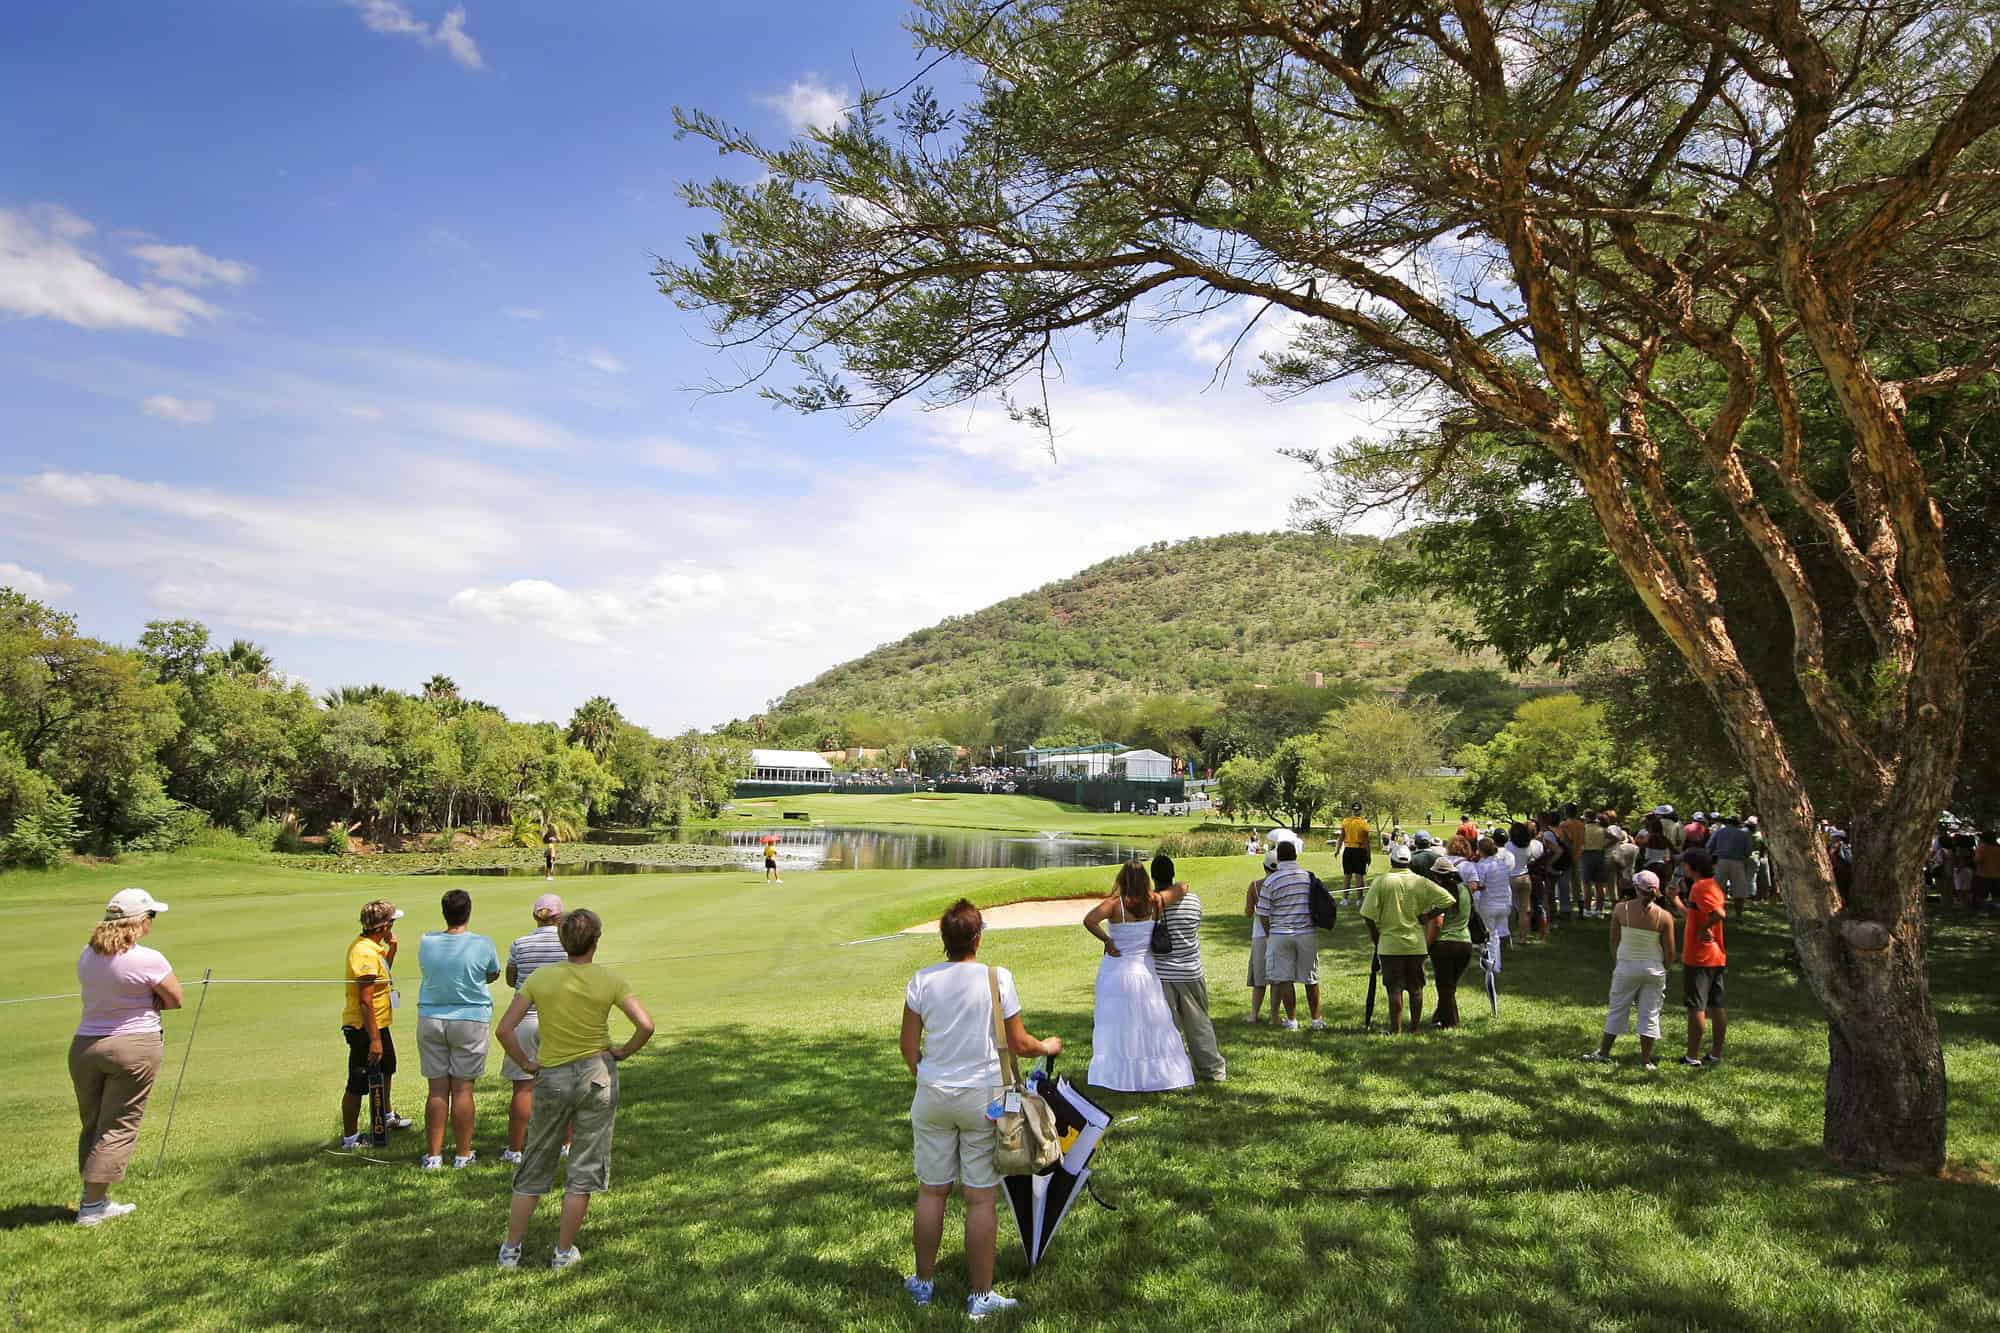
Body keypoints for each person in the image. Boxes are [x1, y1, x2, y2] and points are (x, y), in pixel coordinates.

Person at [899, 899, 1062, 1318]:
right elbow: (1021, 1043)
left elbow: (908, 1048)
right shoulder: (997, 978)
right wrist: (1048, 1046)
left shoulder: (922, 981)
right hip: (983, 1097)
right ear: (978, 937)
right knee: (979, 1199)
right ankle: (980, 1295)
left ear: (944, 940)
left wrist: (931, 1075)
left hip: (933, 1093)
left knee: (932, 1190)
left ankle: (922, 1283)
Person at [495, 908, 655, 1271]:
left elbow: (505, 1029)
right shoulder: (610, 980)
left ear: (563, 941)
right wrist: (624, 1051)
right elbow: (645, 1025)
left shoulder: (540, 978)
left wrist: (527, 1063)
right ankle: (563, 1252)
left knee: (535, 1162)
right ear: (596, 942)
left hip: (551, 1076)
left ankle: (510, 1250)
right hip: (597, 1075)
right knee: (583, 1168)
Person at [71, 888, 181, 1227]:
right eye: (151, 917)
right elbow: (174, 998)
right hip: (133, 1045)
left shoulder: (87, 955)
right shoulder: (148, 958)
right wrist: (151, 1000)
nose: (152, 923)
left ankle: (96, 1196)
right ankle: (92, 1207)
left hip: (85, 1046)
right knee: (118, 1125)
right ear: (138, 921)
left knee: (94, 1122)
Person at [1083, 861, 1198, 1090]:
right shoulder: (1155, 902)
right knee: (1151, 1022)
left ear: (1122, 880)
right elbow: (1183, 886)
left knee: (1118, 1023)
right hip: (1145, 970)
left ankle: (1120, 1074)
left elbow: (1089, 920)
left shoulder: (1115, 905)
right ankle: (1152, 1073)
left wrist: (1107, 940)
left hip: (1116, 971)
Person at [416, 889, 501, 1170]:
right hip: (470, 1019)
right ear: (468, 912)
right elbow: (492, 973)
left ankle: (434, 1156)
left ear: (444, 912)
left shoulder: (427, 941)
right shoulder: (483, 943)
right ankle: (463, 1155)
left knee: (437, 1088)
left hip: (431, 1018)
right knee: (463, 1089)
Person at [1582, 870, 1677, 1070]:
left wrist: (1620, 962)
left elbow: (1614, 941)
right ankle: (1645, 1060)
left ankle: (1604, 1052)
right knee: (1650, 1013)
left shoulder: (1620, 909)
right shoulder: (1665, 917)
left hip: (1627, 966)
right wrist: (1664, 969)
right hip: (1654, 969)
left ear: (1636, 888)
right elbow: (1670, 952)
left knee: (1618, 1008)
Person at [500, 893, 569, 1164]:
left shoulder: (520, 943)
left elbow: (511, 979)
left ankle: (515, 1150)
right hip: (559, 1021)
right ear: (560, 916)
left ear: (535, 916)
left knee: (523, 1087)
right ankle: (565, 1145)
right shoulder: (567, 943)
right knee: (564, 1086)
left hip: (525, 1020)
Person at [1144, 854, 1224, 1080]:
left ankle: (1169, 1071)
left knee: (1165, 1027)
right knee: (1199, 1024)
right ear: (1173, 874)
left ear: (1153, 877)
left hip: (1162, 973)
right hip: (1190, 970)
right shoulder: (1193, 900)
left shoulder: (1152, 905)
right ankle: (1213, 1069)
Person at [1360, 843, 1454, 1034]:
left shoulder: (1382, 881)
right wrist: (1428, 916)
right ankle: (1415, 1028)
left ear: (1391, 860)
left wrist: (1375, 935)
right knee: (1416, 988)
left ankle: (1396, 1030)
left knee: (1394, 989)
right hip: (1416, 944)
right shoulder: (1421, 881)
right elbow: (1449, 900)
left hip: (1389, 944)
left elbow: (1367, 914)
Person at [341, 899, 412, 1148]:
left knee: (387, 1068)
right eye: (392, 921)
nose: (394, 925)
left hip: (379, 1023)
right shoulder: (364, 952)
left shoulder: (376, 949)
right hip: (364, 1028)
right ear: (383, 926)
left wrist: (392, 951)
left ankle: (386, 1116)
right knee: (358, 1082)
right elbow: (365, 1000)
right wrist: (374, 1040)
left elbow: (382, 976)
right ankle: (350, 1138)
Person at [1255, 841, 1325, 1030]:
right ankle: (1316, 1020)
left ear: (1278, 858)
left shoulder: (1271, 880)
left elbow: (1262, 912)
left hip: (1280, 933)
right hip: (1306, 932)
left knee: (1285, 979)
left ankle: (1292, 1020)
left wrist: (1270, 934)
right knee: (1311, 978)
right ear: (1296, 855)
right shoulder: (1307, 877)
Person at [1678, 848, 1728, 1067]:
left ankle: (1692, 1056)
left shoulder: (1700, 887)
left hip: (1700, 957)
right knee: (1716, 1004)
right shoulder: (1711, 885)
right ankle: (1715, 1053)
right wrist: (1675, 901)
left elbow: (1718, 914)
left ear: (1693, 867)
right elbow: (1694, 916)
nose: (1682, 867)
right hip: (1716, 956)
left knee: (1696, 1007)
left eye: (1685, 864)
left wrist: (1704, 929)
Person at [1426, 837, 1479, 1027]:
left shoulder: (1438, 894)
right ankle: (1438, 1018)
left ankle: (1452, 1024)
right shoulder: (1465, 890)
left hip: (1444, 944)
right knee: (1450, 987)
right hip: (1465, 943)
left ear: (1438, 876)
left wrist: (1426, 946)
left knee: (1445, 988)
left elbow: (1437, 923)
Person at [1464, 837, 1515, 958]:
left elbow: (1479, 884)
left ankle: (1494, 961)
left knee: (1491, 934)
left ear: (1480, 850)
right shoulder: (1502, 863)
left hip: (1489, 903)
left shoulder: (1482, 866)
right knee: (1503, 929)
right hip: (1504, 901)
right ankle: (1505, 954)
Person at [1244, 849, 1276, 1023]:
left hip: (1259, 935)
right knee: (1277, 978)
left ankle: (1254, 1014)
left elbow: (1248, 912)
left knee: (1259, 979)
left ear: (1264, 866)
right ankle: (1274, 1015)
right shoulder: (1281, 885)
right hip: (1278, 932)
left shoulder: (1255, 886)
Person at [1707, 815, 1755, 909]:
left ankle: (1717, 911)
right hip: (1738, 862)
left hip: (1721, 861)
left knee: (1717, 888)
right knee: (1739, 890)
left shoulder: (1719, 832)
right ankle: (1738, 915)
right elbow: (1748, 851)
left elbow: (1709, 847)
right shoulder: (1743, 834)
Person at [1558, 804, 1587, 919]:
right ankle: (1581, 910)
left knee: (1565, 883)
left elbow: (1564, 840)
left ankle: (1566, 909)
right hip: (1579, 855)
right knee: (1578, 883)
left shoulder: (1564, 825)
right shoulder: (1582, 825)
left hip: (1567, 857)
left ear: (1567, 812)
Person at [1580, 811, 1611, 918]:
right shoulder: (1602, 829)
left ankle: (1587, 909)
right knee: (1600, 884)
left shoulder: (1583, 829)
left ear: (1587, 818)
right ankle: (1599, 910)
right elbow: (1616, 837)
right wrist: (1605, 845)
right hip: (1600, 854)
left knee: (1586, 884)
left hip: (1587, 855)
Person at [1340, 802, 1372, 892]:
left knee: (1347, 875)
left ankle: (1345, 898)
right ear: (1360, 811)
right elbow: (1366, 841)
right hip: (1359, 850)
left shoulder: (1345, 821)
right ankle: (1359, 899)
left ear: (1352, 810)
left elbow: (1341, 837)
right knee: (1359, 875)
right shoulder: (1363, 823)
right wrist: (1369, 855)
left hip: (1348, 850)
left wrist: (1337, 849)